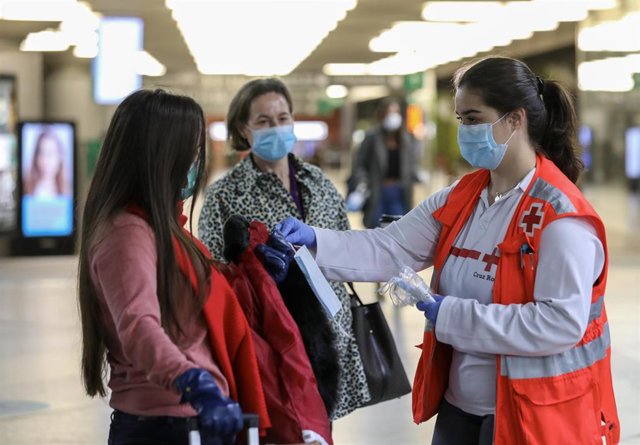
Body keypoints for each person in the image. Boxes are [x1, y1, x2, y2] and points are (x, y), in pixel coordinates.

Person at [275, 56, 620, 445]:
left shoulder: (559, 217)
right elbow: (390, 249)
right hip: (460, 412)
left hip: (531, 419)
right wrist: (315, 241)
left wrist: (450, 314)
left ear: (514, 120)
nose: (465, 131)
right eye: (461, 120)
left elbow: (558, 324)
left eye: (474, 119)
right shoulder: (463, 198)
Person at [77, 89, 268, 445]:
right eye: (191, 152)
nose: (197, 162)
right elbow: (138, 325)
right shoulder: (127, 233)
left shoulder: (166, 229)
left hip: (188, 417)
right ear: (160, 156)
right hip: (163, 424)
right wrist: (192, 381)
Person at [197, 77, 371, 420]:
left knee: (318, 431)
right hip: (267, 341)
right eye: (263, 121)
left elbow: (345, 246)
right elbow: (214, 275)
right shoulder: (224, 196)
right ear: (244, 131)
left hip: (326, 339)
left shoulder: (318, 182)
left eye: (283, 118)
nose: (275, 127)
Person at [346, 97, 420, 228]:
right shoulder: (371, 138)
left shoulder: (406, 139)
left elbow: (410, 166)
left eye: (395, 112)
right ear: (381, 115)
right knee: (376, 228)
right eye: (389, 113)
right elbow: (360, 166)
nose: (393, 116)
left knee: (399, 228)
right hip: (377, 191)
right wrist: (361, 185)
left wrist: (417, 176)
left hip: (399, 191)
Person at [24, 129, 71, 198]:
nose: (46, 160)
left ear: (60, 157)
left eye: (51, 153)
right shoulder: (27, 188)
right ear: (36, 157)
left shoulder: (67, 190)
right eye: (42, 153)